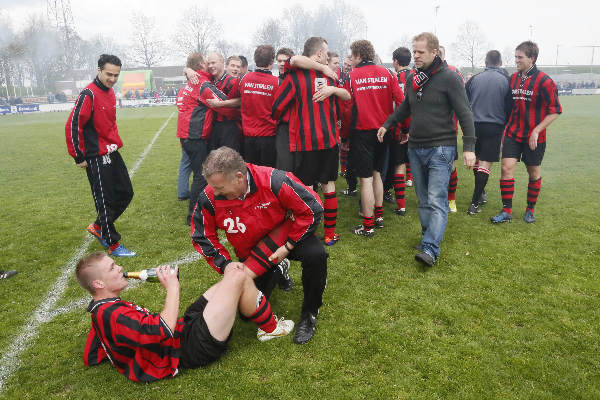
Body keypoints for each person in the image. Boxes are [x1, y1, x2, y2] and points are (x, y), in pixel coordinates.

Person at [77, 252, 293, 383]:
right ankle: (270, 327)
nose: (120, 267)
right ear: (99, 284)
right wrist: (172, 287)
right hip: (189, 349)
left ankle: (274, 274)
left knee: (235, 271)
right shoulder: (109, 313)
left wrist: (97, 356)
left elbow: (97, 343)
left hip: (185, 329)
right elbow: (162, 331)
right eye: (112, 268)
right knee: (237, 276)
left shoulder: (101, 308)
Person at [191, 147, 327, 344]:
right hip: (254, 253)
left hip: (287, 238)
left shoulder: (274, 180)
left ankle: (309, 314)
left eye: (220, 187)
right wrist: (225, 264)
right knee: (246, 315)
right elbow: (201, 235)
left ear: (239, 176)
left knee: (316, 255)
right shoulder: (209, 197)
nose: (215, 192)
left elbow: (313, 208)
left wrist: (288, 246)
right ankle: (279, 269)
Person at [378, 32, 476, 267]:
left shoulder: (450, 78)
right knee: (422, 200)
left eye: (421, 52)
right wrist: (387, 123)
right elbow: (405, 107)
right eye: (414, 51)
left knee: (436, 198)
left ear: (434, 52)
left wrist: (469, 147)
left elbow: (465, 113)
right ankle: (427, 237)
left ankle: (431, 248)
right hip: (415, 147)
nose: (416, 56)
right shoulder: (414, 78)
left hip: (441, 148)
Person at [272, 37, 350, 246]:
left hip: (305, 141)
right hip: (329, 140)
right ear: (317, 54)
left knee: (306, 188)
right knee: (329, 184)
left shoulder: (294, 78)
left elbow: (277, 106)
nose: (327, 56)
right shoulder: (330, 75)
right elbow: (345, 98)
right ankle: (329, 234)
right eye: (325, 53)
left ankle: (310, 232)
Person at [65, 54, 136, 257]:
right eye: (109, 74)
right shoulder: (88, 94)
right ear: (99, 70)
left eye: (116, 75)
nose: (112, 79)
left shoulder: (111, 92)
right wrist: (78, 155)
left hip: (112, 151)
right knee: (104, 200)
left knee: (126, 192)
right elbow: (73, 124)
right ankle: (113, 244)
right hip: (96, 156)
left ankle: (98, 226)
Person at [490, 41, 561, 224]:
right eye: (515, 57)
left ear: (532, 58)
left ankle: (530, 209)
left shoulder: (545, 81)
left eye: (520, 57)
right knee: (506, 168)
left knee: (533, 173)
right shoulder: (512, 78)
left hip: (534, 137)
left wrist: (537, 130)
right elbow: (508, 108)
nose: (516, 60)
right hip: (514, 133)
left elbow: (555, 110)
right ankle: (506, 210)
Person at [345, 40, 403, 237]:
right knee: (378, 173)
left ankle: (368, 226)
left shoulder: (352, 76)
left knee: (366, 180)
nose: (351, 60)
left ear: (359, 55)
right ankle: (378, 217)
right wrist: (401, 127)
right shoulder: (387, 73)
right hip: (383, 131)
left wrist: (344, 135)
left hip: (363, 132)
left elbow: (347, 109)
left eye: (352, 56)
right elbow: (401, 101)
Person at [176, 53, 240, 226]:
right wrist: (240, 106)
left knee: (206, 171)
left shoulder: (193, 81)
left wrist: (188, 70)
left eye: (213, 63)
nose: (210, 66)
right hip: (196, 136)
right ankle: (194, 216)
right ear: (201, 67)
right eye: (207, 63)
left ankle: (209, 208)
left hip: (189, 135)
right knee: (201, 176)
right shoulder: (202, 83)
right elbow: (220, 102)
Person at [210, 46, 279, 167]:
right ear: (272, 62)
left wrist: (222, 104)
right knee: (267, 174)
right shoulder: (278, 82)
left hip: (248, 137)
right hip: (269, 137)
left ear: (255, 60)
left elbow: (232, 98)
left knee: (250, 174)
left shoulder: (243, 79)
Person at [465, 50, 512, 215]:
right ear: (500, 63)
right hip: (494, 126)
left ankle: (481, 194)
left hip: (474, 125)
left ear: (485, 63)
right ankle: (474, 203)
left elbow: (465, 102)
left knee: (476, 161)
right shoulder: (507, 80)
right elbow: (510, 107)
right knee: (484, 164)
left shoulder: (474, 79)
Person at [387, 46, 413, 216]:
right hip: (416, 128)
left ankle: (400, 205)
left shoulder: (393, 78)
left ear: (395, 61)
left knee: (397, 164)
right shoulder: (416, 77)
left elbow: (395, 104)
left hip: (398, 129)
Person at [274, 47, 295, 172]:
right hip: (280, 127)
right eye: (279, 61)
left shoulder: (295, 79)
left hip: (294, 125)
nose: (282, 64)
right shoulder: (275, 80)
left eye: (285, 61)